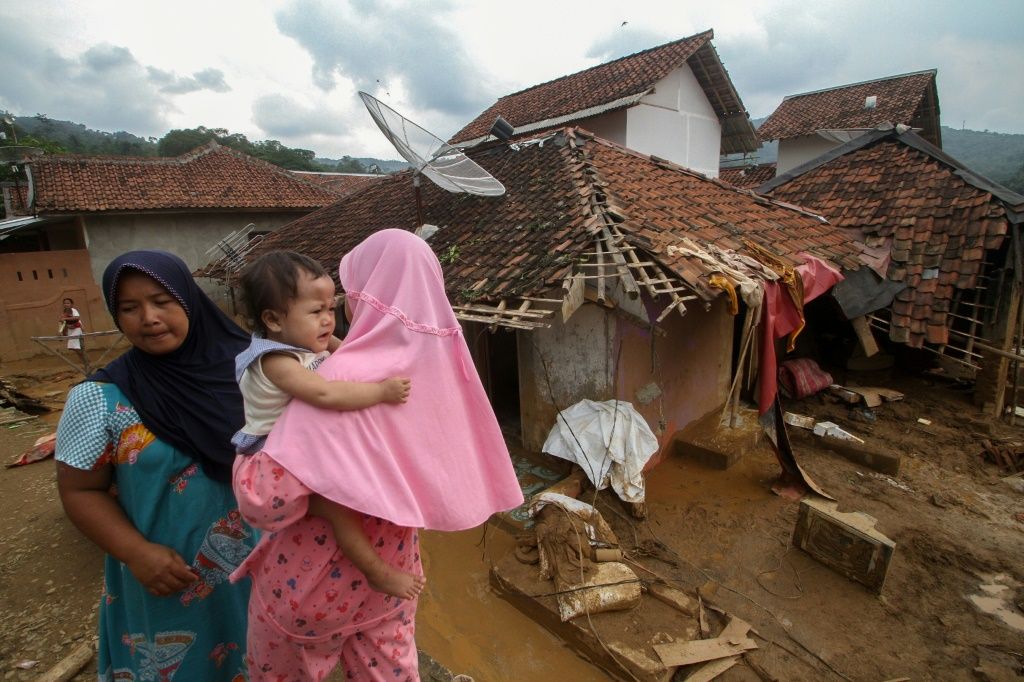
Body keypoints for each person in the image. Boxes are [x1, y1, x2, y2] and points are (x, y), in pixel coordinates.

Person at [231, 229, 524, 681]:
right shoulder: (441, 370)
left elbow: (265, 501)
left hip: (310, 584)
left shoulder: (344, 378)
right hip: (395, 581)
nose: (336, 313)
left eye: (343, 297)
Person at [55, 250, 256, 681]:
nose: (148, 317)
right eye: (129, 308)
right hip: (166, 581)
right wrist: (136, 552)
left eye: (162, 300)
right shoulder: (99, 398)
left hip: (260, 570)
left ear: (188, 298)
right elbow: (79, 490)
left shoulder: (257, 372)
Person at [232, 250, 422, 599]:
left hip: (293, 458)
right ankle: (377, 572)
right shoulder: (275, 359)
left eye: (331, 309)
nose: (328, 320)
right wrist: (380, 392)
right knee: (338, 510)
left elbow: (350, 353)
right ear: (273, 320)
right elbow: (324, 394)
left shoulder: (306, 343)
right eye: (316, 311)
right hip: (270, 469)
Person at [60, 297, 87, 367]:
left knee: (73, 346)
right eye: (65, 303)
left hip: (77, 329)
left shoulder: (73, 310)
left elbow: (77, 318)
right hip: (70, 331)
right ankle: (84, 361)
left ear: (71, 304)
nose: (66, 304)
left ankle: (85, 360)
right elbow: (63, 324)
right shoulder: (64, 313)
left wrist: (65, 319)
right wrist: (63, 333)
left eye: (68, 303)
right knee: (76, 347)